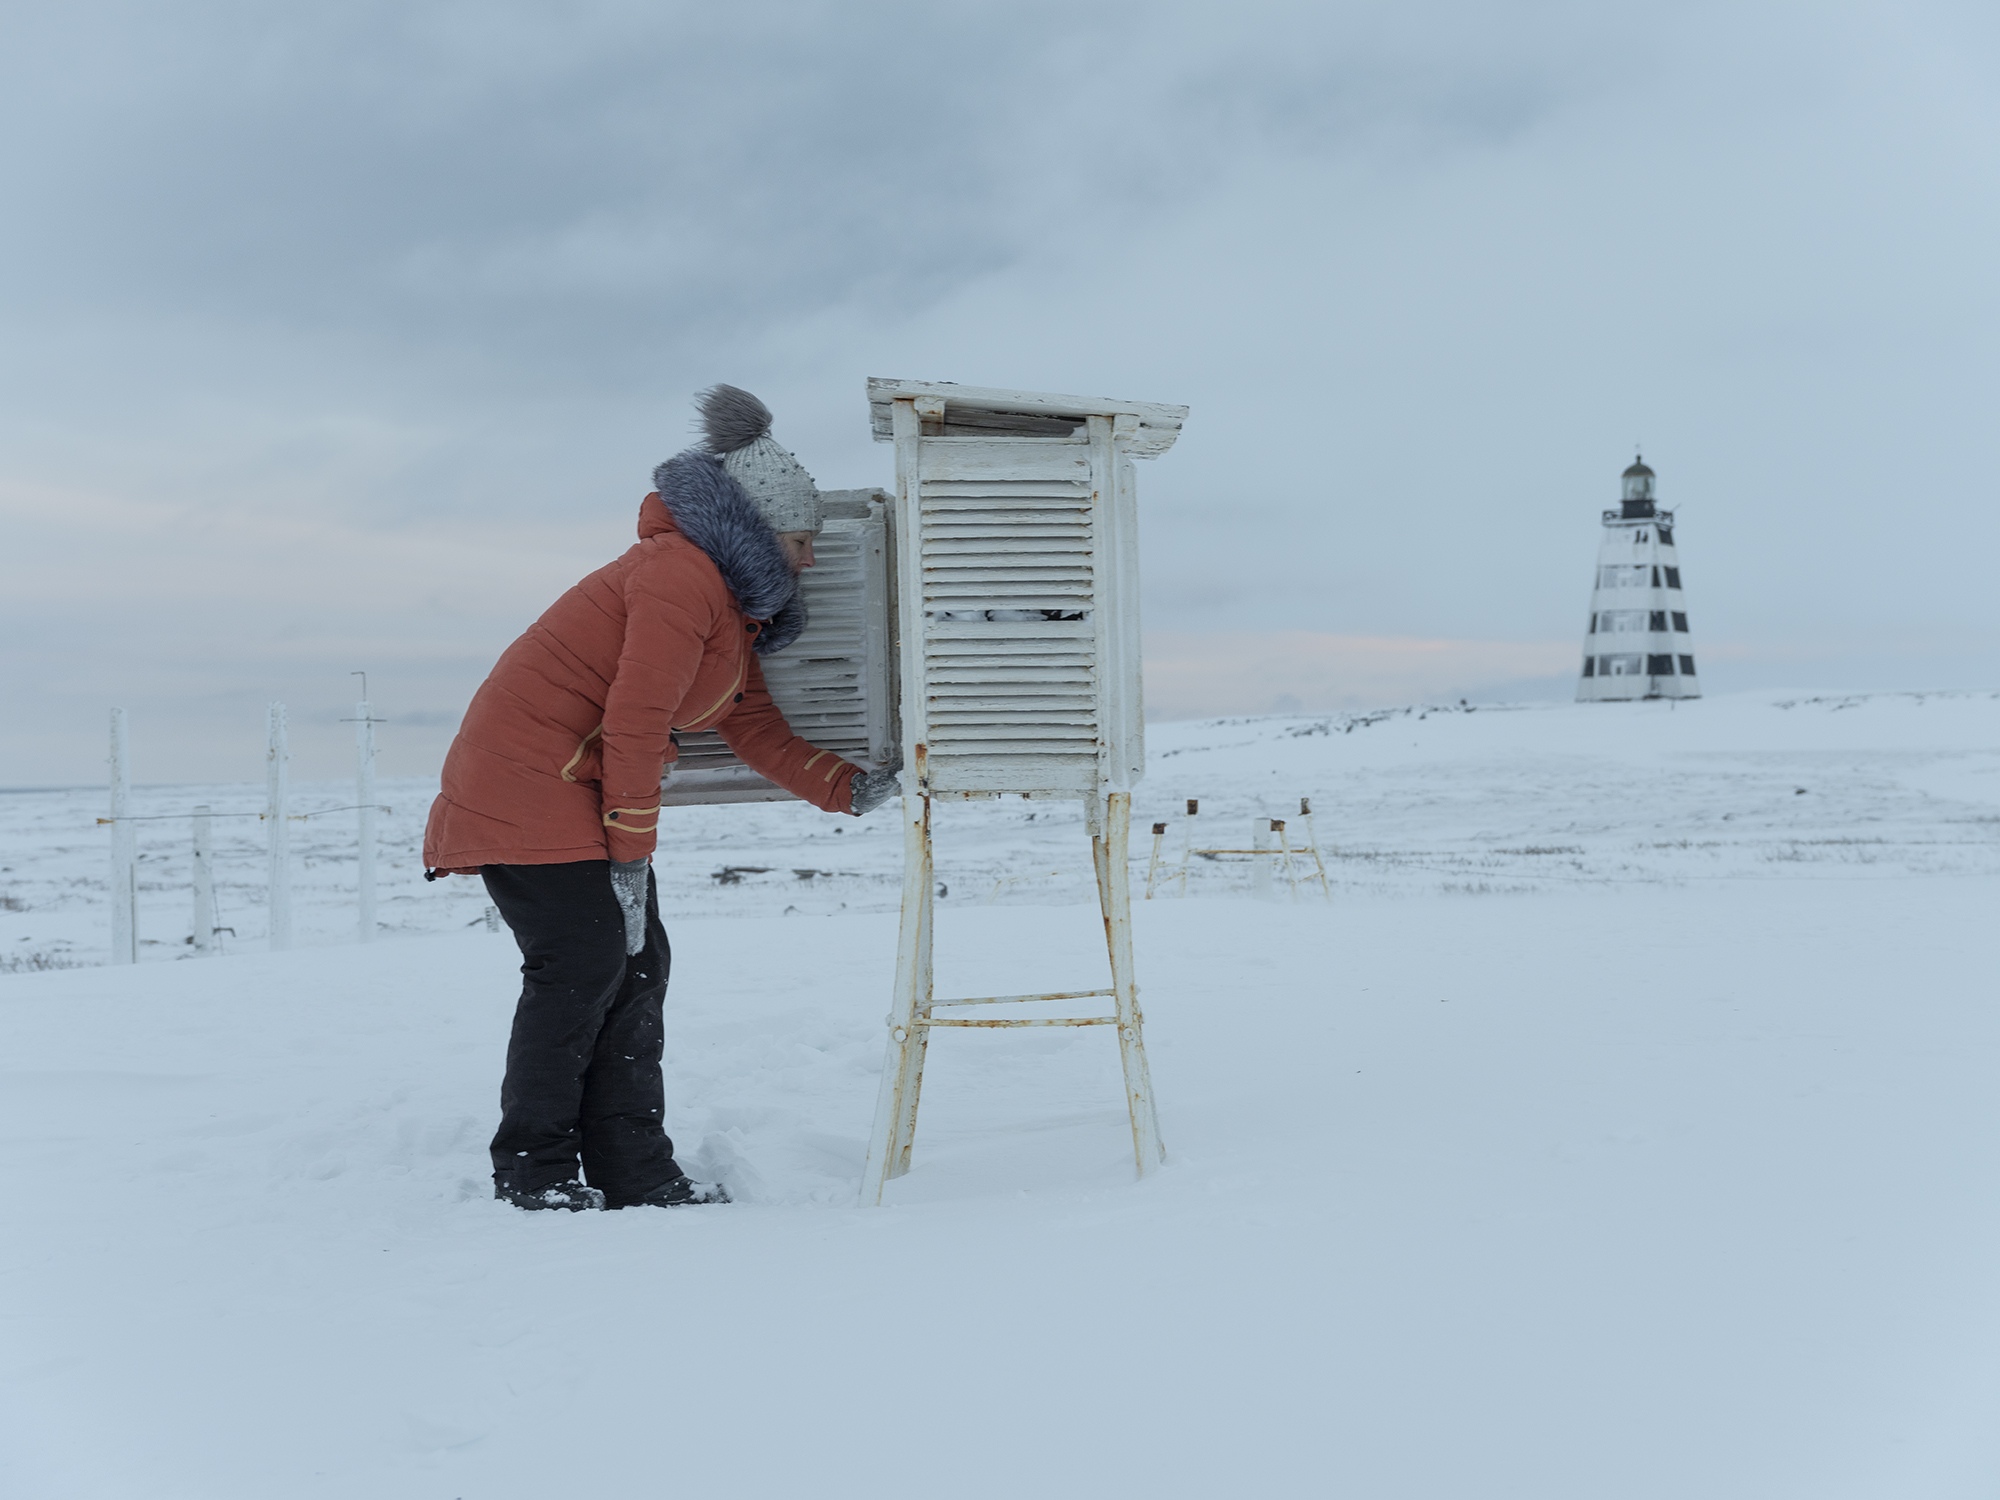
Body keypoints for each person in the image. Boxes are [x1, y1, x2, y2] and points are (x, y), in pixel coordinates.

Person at [422, 385, 901, 1212]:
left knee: (636, 966)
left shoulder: (726, 608)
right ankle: (533, 1173)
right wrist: (632, 849)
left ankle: (632, 1167)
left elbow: (751, 726)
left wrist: (848, 788)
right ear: (754, 532)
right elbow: (636, 719)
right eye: (800, 540)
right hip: (527, 786)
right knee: (582, 968)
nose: (811, 560)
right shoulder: (679, 578)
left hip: (566, 790)